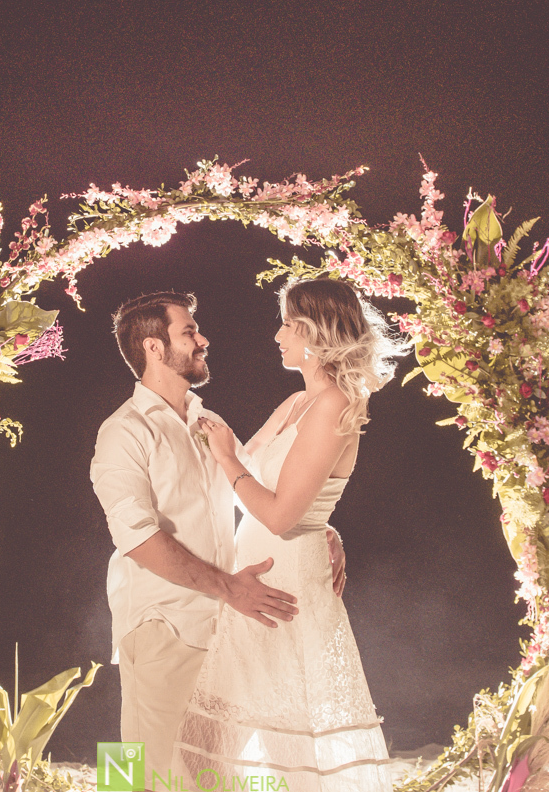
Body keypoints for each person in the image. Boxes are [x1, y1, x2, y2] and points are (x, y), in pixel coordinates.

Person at [91, 291, 345, 785]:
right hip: (165, 623)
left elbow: (260, 497)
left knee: (208, 779)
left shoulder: (208, 424)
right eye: (189, 332)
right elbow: (138, 539)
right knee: (143, 772)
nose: (203, 339)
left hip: (223, 629)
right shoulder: (123, 432)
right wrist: (231, 588)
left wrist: (322, 526)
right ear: (154, 348)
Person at [174, 277, 407, 791]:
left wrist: (230, 459)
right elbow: (241, 483)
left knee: (290, 743)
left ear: (313, 332)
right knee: (208, 742)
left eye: (286, 323)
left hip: (285, 587)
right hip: (253, 576)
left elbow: (279, 515)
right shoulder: (295, 403)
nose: (277, 335)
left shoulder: (335, 405)